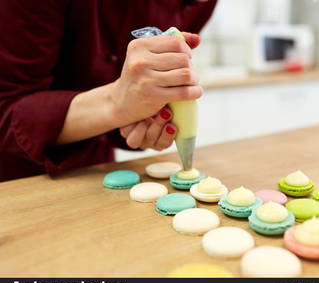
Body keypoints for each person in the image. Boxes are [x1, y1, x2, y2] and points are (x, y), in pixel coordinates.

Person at [0, 0, 217, 182]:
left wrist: (142, 114)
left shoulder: (200, 3)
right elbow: (5, 109)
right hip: (16, 184)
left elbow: (136, 84)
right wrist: (116, 105)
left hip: (97, 172)